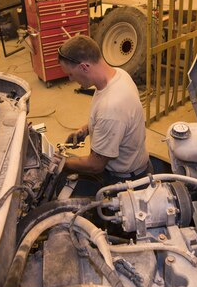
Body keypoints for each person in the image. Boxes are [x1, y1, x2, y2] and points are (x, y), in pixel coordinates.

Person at [56, 34, 150, 186]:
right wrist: (85, 130)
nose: (70, 80)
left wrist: (61, 163)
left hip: (125, 181)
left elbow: (95, 165)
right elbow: (111, 120)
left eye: (70, 74)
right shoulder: (119, 74)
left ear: (84, 67)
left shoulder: (111, 107)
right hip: (134, 164)